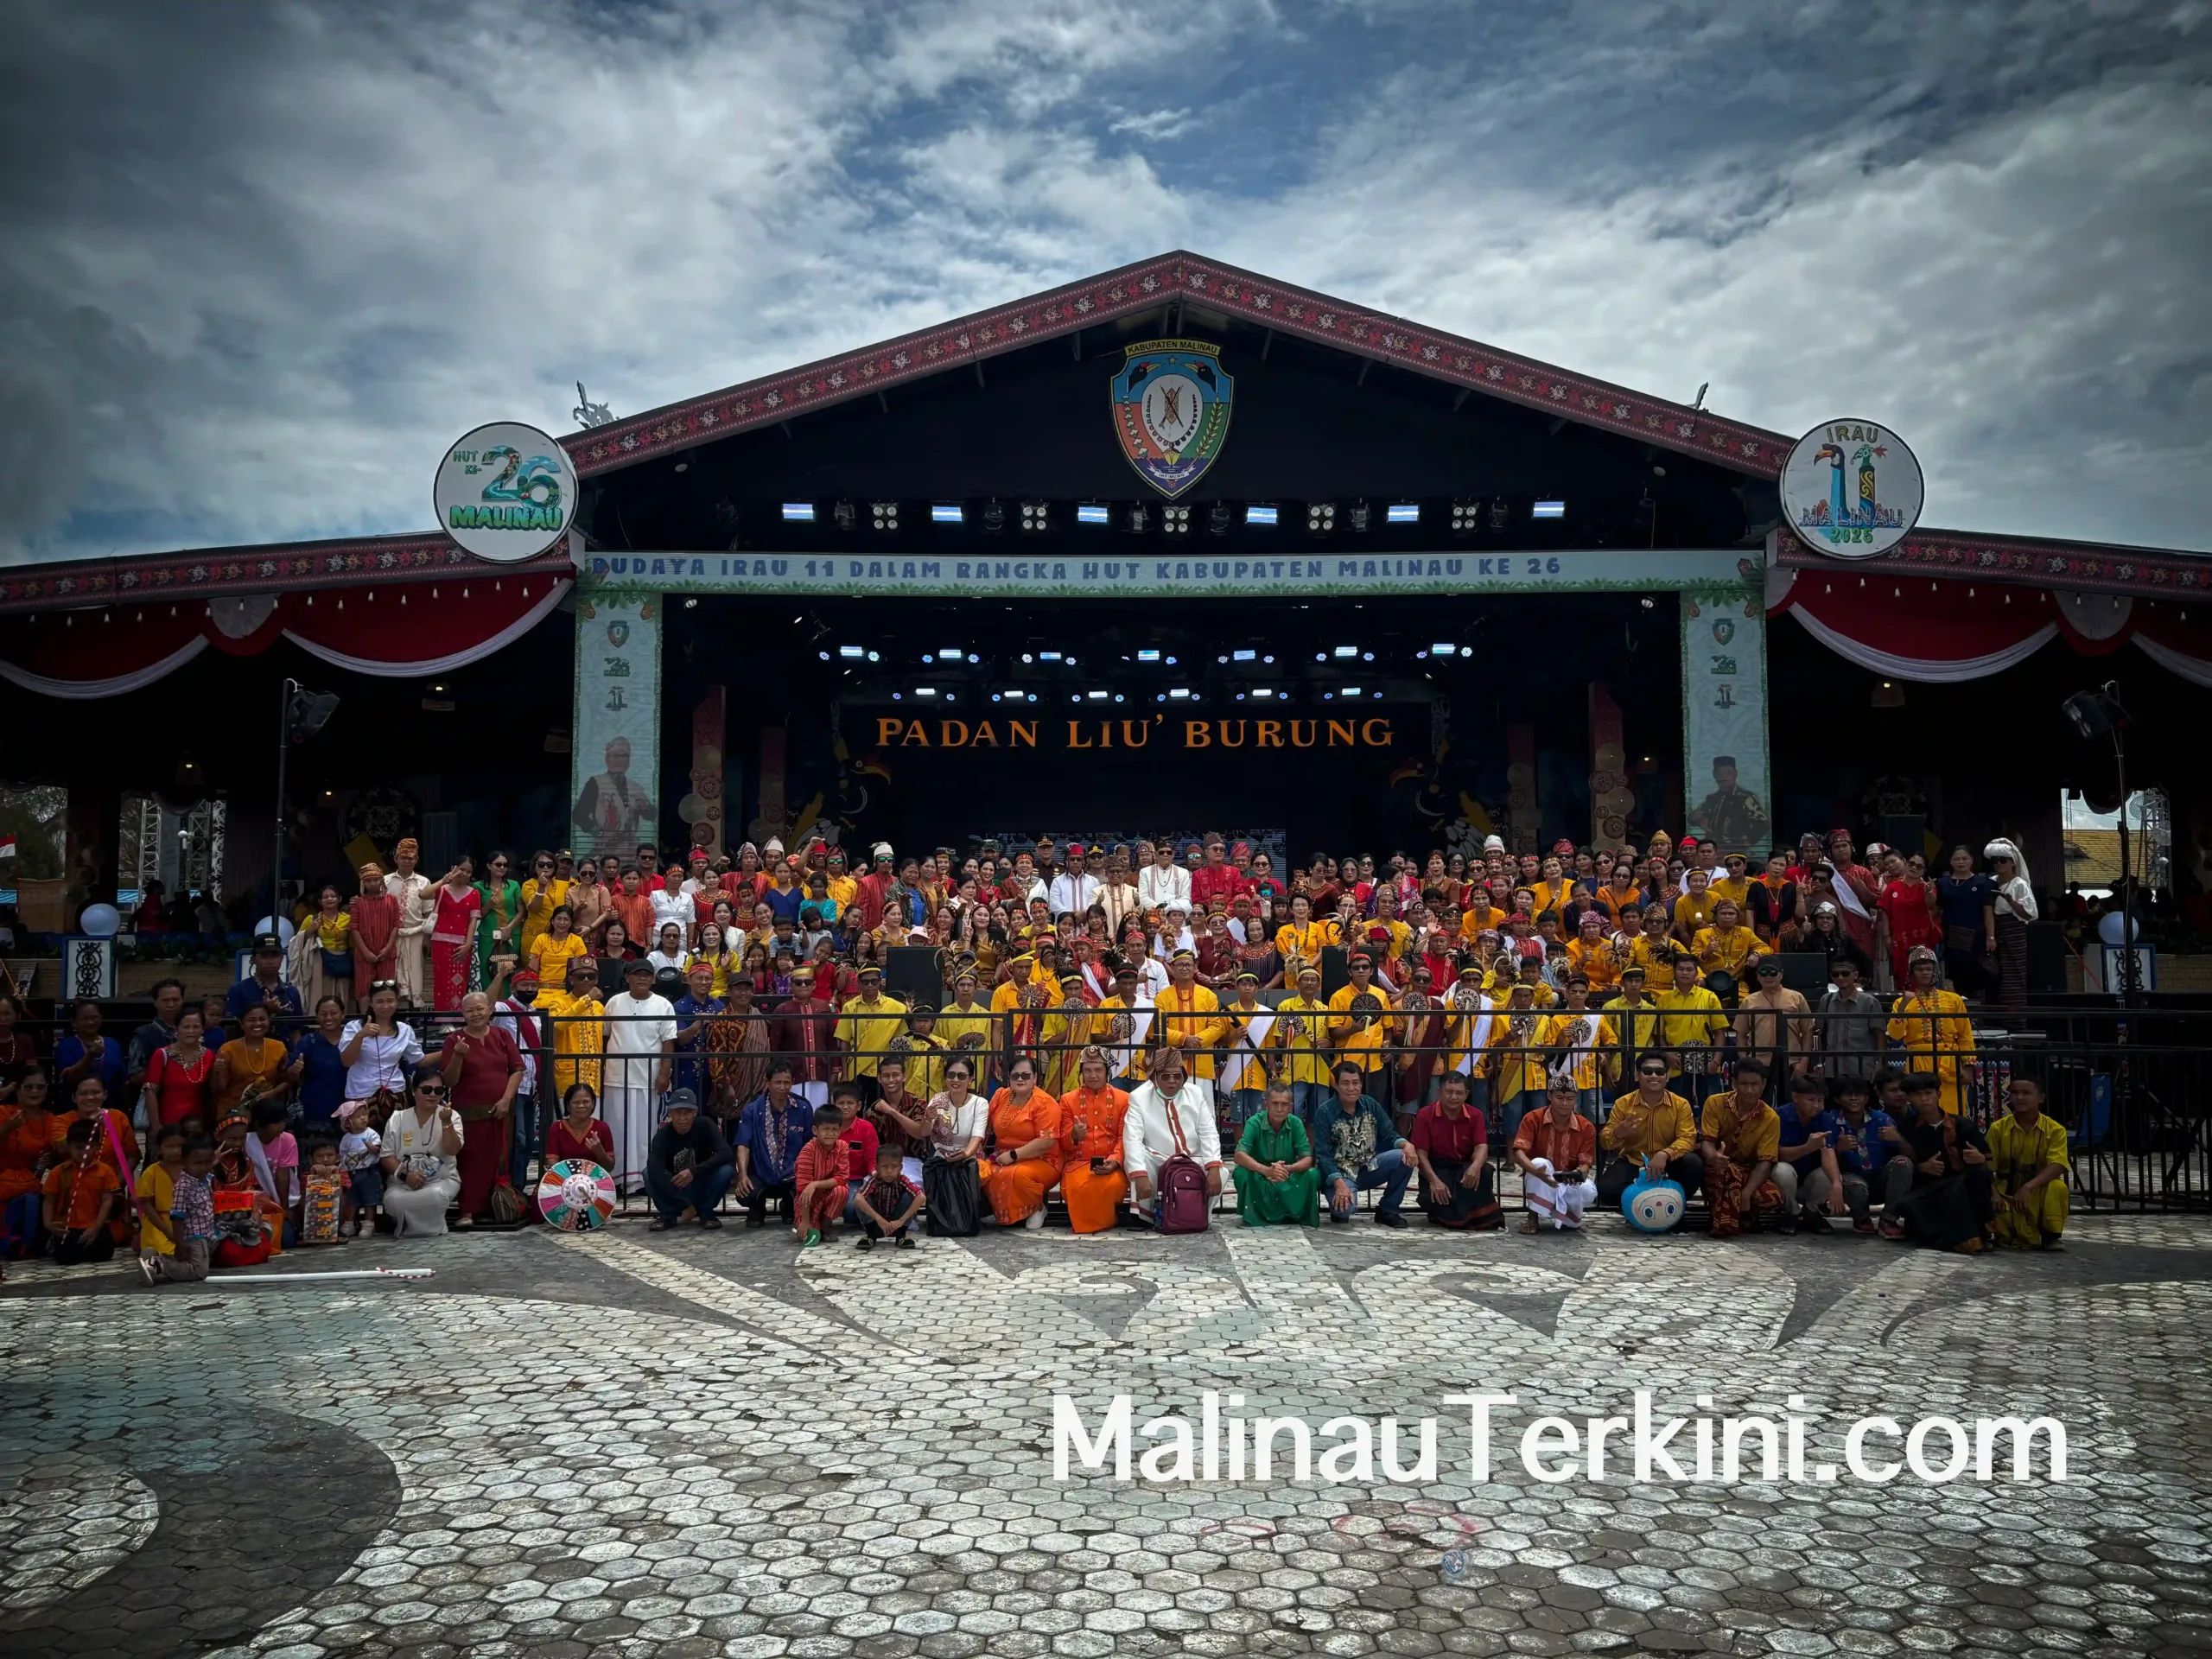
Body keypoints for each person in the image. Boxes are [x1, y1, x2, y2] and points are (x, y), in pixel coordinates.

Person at [437, 992, 524, 1226]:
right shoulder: (454, 1040)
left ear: (490, 1010)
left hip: (501, 1110)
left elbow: (517, 1070)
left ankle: (498, 1208)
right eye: (470, 1010)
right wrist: (458, 1056)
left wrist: (506, 1099)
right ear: (462, 1014)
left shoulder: (502, 1035)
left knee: (499, 1159)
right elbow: (450, 1081)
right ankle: (468, 1211)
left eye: (480, 1009)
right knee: (471, 1161)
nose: (476, 1014)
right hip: (469, 1113)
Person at [1891, 1072, 1993, 1252]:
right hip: (1929, 1190)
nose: (1924, 1099)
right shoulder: (1905, 1127)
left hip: (1961, 1187)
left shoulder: (1962, 1125)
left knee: (1972, 1179)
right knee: (1912, 1205)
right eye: (1917, 1094)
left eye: (1928, 1093)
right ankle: (1970, 1238)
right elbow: (1897, 1165)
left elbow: (1987, 1160)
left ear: (1938, 1094)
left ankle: (1973, 1236)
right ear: (1908, 1099)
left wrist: (1980, 1158)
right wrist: (1922, 1167)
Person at [1121, 1050, 1223, 1221]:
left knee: (1221, 1172)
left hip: (1192, 1159)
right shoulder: (1139, 1097)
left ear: (1183, 1076)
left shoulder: (1195, 1094)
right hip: (1158, 1158)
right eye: (1165, 1077)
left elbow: (1208, 1132)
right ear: (1154, 1077)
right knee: (1139, 1162)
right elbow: (1132, 1138)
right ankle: (1153, 1217)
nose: (1172, 1081)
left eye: (1177, 1076)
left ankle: (1197, 1215)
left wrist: (1212, 1167)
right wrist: (1140, 1174)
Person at [601, 959, 677, 1187]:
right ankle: (615, 1180)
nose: (642, 978)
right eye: (637, 974)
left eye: (646, 974)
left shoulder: (663, 1005)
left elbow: (668, 1043)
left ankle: (644, 1181)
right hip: (615, 1078)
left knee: (645, 1133)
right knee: (616, 1130)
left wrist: (664, 1075)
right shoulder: (614, 1002)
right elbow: (605, 1036)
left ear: (653, 979)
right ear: (628, 978)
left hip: (648, 1079)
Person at [1312, 1060, 1414, 1225]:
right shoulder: (1324, 1113)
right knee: (1345, 1211)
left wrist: (1406, 1144)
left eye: (1355, 1083)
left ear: (1361, 1085)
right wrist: (1339, 1184)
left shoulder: (1370, 1105)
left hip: (1370, 1166)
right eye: (1345, 1083)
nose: (1351, 1088)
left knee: (1404, 1157)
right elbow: (1323, 1156)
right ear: (1336, 1086)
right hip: (1341, 1172)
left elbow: (1389, 1135)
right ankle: (1339, 1205)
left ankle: (1388, 1210)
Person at [1597, 1055, 1702, 1214]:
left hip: (1669, 1163)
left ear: (1667, 1077)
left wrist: (1665, 1154)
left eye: (1659, 1072)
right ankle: (1638, 1210)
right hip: (1634, 1162)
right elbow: (1605, 1141)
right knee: (1607, 1189)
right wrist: (1618, 1133)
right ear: (1637, 1076)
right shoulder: (1623, 1103)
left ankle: (1673, 1210)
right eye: (1647, 1071)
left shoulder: (1680, 1104)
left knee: (1693, 1164)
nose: (1654, 1076)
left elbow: (1688, 1138)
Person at [1698, 1058, 1787, 1237]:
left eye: (1755, 1084)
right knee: (1724, 1171)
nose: (1749, 1090)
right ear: (1734, 1084)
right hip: (1716, 1167)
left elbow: (1765, 1162)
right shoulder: (1714, 1103)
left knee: (1773, 1196)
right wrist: (1714, 1157)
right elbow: (1706, 1142)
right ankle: (1728, 1225)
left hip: (1748, 1171)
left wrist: (1746, 1194)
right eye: (1744, 1084)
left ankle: (1732, 1218)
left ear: (1763, 1084)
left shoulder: (1770, 1118)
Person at [1886, 946, 1976, 1116]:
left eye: (1929, 969)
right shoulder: (1901, 1002)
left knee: (1953, 1111)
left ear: (1935, 971)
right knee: (1922, 1111)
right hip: (1918, 1060)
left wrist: (1969, 1067)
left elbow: (1965, 1036)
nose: (1925, 973)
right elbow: (1895, 1035)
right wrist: (1905, 1004)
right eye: (1919, 969)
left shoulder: (1953, 999)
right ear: (1911, 973)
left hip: (1949, 1060)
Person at [380, 1064, 465, 1238]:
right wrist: (406, 1176)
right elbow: (387, 1156)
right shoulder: (397, 1119)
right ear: (413, 1091)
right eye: (426, 1090)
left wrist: (446, 1123)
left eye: (438, 1090)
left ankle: (429, 1229)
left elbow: (453, 1149)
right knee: (393, 1200)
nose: (432, 1095)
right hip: (403, 1182)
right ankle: (405, 1228)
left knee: (434, 1196)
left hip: (441, 1180)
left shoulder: (452, 1115)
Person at [1408, 1070, 1498, 1230]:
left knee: (1483, 1172)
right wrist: (1434, 1181)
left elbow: (1481, 1146)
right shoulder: (1425, 1115)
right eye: (1449, 1092)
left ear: (1466, 1094)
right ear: (1439, 1092)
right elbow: (1421, 1154)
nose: (1454, 1097)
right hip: (1438, 1168)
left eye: (1459, 1093)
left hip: (1464, 1167)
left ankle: (1471, 1216)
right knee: (1439, 1197)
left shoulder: (1475, 1114)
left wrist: (1475, 1167)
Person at [1987, 1075, 2069, 1249]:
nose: (2019, 1097)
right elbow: (1986, 1166)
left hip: (2038, 1189)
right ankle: (1997, 1235)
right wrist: (1994, 1193)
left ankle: (2051, 1237)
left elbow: (2058, 1165)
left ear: (2041, 1098)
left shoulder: (2055, 1130)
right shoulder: (1997, 1129)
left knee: (2058, 1187)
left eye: (2026, 1093)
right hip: (2006, 1189)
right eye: (2014, 1093)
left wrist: (2028, 1187)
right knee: (1983, 1191)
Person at [1056, 1046, 1131, 1234]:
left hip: (1111, 1163)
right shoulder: (1067, 1100)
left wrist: (1114, 1162)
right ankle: (1096, 1224)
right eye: (1088, 1070)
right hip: (1078, 1163)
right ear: (1081, 1072)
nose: (1093, 1075)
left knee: (1111, 1185)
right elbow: (1061, 1142)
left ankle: (1102, 1222)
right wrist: (1073, 1135)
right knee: (1077, 1187)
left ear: (1107, 1071)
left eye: (1098, 1070)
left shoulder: (1124, 1099)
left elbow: (1126, 1138)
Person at [981, 1056, 1061, 1229]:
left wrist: (1014, 1155)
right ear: (1008, 1077)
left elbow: (1046, 1141)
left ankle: (1036, 1207)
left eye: (1025, 1075)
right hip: (1003, 1156)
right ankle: (1008, 1214)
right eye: (1015, 1075)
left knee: (1015, 1175)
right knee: (984, 1171)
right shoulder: (1001, 1095)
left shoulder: (1045, 1103)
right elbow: (985, 1125)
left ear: (1035, 1078)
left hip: (1043, 1159)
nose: (1020, 1079)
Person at [1511, 1077, 1599, 1233]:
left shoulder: (1586, 1127)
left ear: (1575, 1099)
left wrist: (1579, 1173)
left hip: (1568, 1181)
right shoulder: (1533, 1119)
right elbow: (1519, 1151)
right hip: (1541, 1178)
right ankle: (1533, 1215)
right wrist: (1533, 1170)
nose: (1565, 1103)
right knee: (1539, 1162)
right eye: (1560, 1098)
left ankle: (1564, 1214)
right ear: (1549, 1096)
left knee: (1589, 1191)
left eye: (1570, 1099)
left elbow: (1586, 1162)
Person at [734, 1060, 813, 1227]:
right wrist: (742, 1175)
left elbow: (810, 1145)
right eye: (778, 1082)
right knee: (745, 1193)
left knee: (806, 1191)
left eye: (787, 1082)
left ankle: (790, 1206)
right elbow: (743, 1144)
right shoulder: (752, 1110)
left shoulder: (803, 1108)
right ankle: (757, 1207)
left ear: (792, 1083)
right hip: (761, 1173)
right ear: (767, 1083)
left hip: (793, 1174)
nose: (782, 1087)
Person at [644, 1089, 734, 1230]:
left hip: (700, 1183)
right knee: (648, 1174)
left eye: (687, 1113)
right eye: (678, 1113)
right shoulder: (662, 1136)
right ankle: (668, 1215)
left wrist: (694, 1172)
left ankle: (707, 1213)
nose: (682, 1118)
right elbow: (654, 1168)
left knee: (726, 1171)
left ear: (695, 1112)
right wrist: (684, 1205)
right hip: (673, 1188)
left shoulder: (705, 1125)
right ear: (670, 1113)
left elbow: (726, 1153)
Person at [1230, 1084, 1319, 1227]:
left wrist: (1288, 1169)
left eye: (1284, 1104)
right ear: (1266, 1105)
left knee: (1313, 1174)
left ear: (1290, 1107)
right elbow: (1239, 1155)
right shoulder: (1254, 1122)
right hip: (1261, 1175)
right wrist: (1266, 1170)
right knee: (1241, 1173)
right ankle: (1255, 1215)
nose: (1279, 1109)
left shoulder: (1296, 1123)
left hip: (1287, 1175)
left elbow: (1308, 1159)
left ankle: (1297, 1215)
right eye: (1275, 1104)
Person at [139, 1135, 219, 1285]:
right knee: (199, 1271)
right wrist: (180, 1243)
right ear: (184, 1162)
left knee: (200, 1262)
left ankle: (155, 1258)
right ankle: (158, 1265)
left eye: (208, 1162)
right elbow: (177, 1217)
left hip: (206, 1234)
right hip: (194, 1236)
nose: (203, 1167)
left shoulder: (206, 1179)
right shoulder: (183, 1186)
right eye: (197, 1163)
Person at [43, 1117, 123, 1264]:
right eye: (79, 1148)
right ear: (68, 1147)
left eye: (89, 1147)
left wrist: (96, 1227)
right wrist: (48, 1224)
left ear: (97, 1147)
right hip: (67, 1227)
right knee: (67, 1258)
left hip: (94, 1224)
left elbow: (107, 1201)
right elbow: (49, 1199)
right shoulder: (58, 1172)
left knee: (104, 1253)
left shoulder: (106, 1171)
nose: (84, 1152)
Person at [1654, 952, 1728, 1104]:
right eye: (1681, 969)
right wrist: (1668, 1055)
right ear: (1674, 971)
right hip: (1677, 1064)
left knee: (1711, 1108)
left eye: (1689, 969)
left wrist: (1716, 1061)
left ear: (1696, 972)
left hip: (1706, 1062)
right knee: (1678, 1108)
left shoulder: (1709, 997)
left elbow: (1719, 1031)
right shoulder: (1664, 1000)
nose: (1685, 973)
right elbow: (1659, 1035)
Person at [1268, 963, 1335, 1125]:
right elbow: (1279, 1040)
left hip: (1319, 1069)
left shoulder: (1325, 1009)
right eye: (1306, 979)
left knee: (1319, 1116)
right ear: (1298, 983)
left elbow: (1332, 1039)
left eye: (1313, 980)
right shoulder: (1286, 1006)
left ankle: (1313, 1150)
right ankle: (1291, 1149)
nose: (1309, 983)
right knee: (1292, 1114)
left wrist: (1328, 1042)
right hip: (1294, 1069)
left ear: (1318, 985)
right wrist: (1290, 1035)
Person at [340, 982, 424, 1107]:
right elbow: (347, 1061)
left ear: (397, 1001)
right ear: (371, 1003)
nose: (386, 1006)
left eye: (390, 1001)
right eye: (380, 1001)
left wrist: (452, 1050)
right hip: (360, 1094)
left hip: (395, 1093)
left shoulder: (404, 1030)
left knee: (395, 1127)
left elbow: (420, 1060)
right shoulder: (354, 1027)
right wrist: (360, 1035)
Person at [834, 964, 909, 1101]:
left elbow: (901, 1041)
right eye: (865, 982)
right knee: (857, 1110)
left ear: (880, 982)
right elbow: (844, 1042)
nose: (870, 985)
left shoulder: (895, 1007)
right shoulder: (850, 1007)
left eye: (874, 981)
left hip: (885, 1071)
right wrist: (844, 1074)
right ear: (859, 983)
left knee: (882, 1111)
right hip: (857, 1069)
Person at [536, 957, 606, 1101]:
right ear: (572, 980)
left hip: (594, 1077)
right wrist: (586, 1000)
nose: (586, 980)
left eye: (591, 976)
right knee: (566, 1120)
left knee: (593, 1121)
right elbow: (558, 1025)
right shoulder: (558, 1002)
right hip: (568, 1075)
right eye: (581, 976)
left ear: (596, 980)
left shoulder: (599, 1006)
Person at [1734, 959, 1814, 1085]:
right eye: (1763, 973)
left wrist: (1803, 1062)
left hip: (1792, 1061)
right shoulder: (1749, 1001)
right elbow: (1741, 1035)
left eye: (1772, 972)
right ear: (1758, 976)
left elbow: (1807, 1032)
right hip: (1759, 1062)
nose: (1768, 976)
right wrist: (1746, 1061)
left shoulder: (1797, 998)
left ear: (1781, 974)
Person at [213, 1002, 296, 1120]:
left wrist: (270, 1093)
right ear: (241, 1024)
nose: (257, 1024)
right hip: (233, 1113)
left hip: (267, 1113)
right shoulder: (228, 1049)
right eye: (251, 1020)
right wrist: (217, 1072)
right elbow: (219, 1089)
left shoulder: (279, 1047)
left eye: (262, 1019)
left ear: (269, 1021)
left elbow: (286, 1081)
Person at [143, 1006, 216, 1135]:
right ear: (177, 1029)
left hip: (198, 1125)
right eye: (186, 1027)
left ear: (203, 1029)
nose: (191, 1031)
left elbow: (213, 1091)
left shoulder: (209, 1055)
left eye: (196, 1027)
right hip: (168, 1124)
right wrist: (156, 1126)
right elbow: (150, 1091)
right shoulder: (162, 1055)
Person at [1985, 838, 2037, 1008]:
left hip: (2014, 930)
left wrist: (2011, 901)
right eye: (1995, 860)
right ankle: (1994, 1017)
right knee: (1992, 973)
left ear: (2013, 862)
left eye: (2003, 860)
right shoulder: (1990, 881)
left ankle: (2015, 1020)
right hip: (1994, 928)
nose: (1999, 864)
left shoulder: (2020, 884)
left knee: (2014, 974)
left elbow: (2029, 915)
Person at [1814, 959, 1885, 1080]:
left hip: (1862, 1068)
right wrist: (1820, 1063)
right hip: (1833, 1069)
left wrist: (1880, 1064)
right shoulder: (1826, 1001)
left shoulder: (1869, 1002)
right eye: (1835, 974)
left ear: (1855, 975)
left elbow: (1880, 1035)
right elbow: (1819, 1034)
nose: (1840, 977)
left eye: (1845, 973)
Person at [1685, 754, 1769, 858]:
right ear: (1714, 775)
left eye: (1727, 773)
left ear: (1735, 774)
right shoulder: (1712, 799)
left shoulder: (1745, 798)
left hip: (1736, 851)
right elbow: (1692, 819)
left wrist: (1744, 841)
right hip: (1715, 851)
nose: (1722, 777)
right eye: (1718, 773)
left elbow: (1763, 823)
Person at [291, 996, 353, 1136]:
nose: (328, 1017)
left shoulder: (353, 1040)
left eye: (333, 1013)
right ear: (317, 1017)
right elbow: (290, 1076)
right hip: (315, 1110)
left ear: (343, 1014)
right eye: (323, 1014)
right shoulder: (308, 1042)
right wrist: (295, 1070)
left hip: (349, 1111)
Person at [791, 1103, 851, 1245]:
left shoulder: (842, 1147)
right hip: (808, 1201)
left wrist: (815, 1184)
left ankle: (827, 1225)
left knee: (842, 1191)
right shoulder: (808, 1151)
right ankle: (811, 1222)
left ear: (840, 1130)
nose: (830, 1133)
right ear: (815, 1130)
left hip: (828, 1195)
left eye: (834, 1129)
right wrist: (805, 1222)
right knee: (807, 1233)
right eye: (825, 1129)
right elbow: (803, 1190)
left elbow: (842, 1178)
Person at [429, 857, 484, 1012]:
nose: (465, 874)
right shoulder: (442, 889)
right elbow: (423, 894)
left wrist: (468, 944)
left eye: (469, 871)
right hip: (440, 942)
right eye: (462, 869)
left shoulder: (474, 894)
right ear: (454, 868)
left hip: (462, 944)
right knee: (441, 980)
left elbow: (473, 921)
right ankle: (442, 1018)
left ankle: (456, 1016)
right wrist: (443, 880)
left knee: (459, 981)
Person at [226, 933, 305, 1033]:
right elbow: (230, 1030)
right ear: (253, 959)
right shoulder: (238, 990)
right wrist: (266, 1011)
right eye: (264, 956)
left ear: (281, 959)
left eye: (274, 956)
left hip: (285, 1048)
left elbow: (296, 1032)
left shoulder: (292, 992)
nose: (270, 961)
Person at [348, 861, 402, 1010]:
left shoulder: (392, 900)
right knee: (363, 988)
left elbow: (396, 926)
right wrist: (366, 952)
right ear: (363, 883)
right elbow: (354, 928)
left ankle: (386, 1019)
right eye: (368, 880)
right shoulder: (358, 903)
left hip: (387, 952)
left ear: (382, 880)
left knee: (387, 987)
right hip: (364, 954)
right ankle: (366, 1019)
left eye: (376, 879)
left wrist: (388, 948)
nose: (372, 883)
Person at [853, 1141, 923, 1249]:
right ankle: (871, 1235)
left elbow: (921, 1197)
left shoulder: (903, 1181)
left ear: (900, 1168)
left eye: (894, 1166)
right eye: (884, 1166)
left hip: (897, 1224)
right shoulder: (874, 1181)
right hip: (877, 1223)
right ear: (877, 1168)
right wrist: (880, 1220)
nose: (889, 1171)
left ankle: (901, 1236)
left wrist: (901, 1221)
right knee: (861, 1196)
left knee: (911, 1196)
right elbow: (858, 1199)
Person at [134, 1124, 188, 1263]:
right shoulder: (152, 1171)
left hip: (188, 1223)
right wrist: (167, 1231)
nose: (175, 1151)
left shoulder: (192, 1168)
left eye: (180, 1145)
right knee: (163, 1251)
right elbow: (146, 1205)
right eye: (169, 1147)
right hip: (160, 1224)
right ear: (159, 1149)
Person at [54, 1000, 126, 1101]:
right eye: (84, 1018)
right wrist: (90, 1055)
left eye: (95, 1017)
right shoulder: (66, 1045)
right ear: (74, 1022)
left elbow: (121, 1078)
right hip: (77, 1106)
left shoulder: (112, 1044)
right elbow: (69, 1078)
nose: (90, 1022)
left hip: (111, 1105)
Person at [476, 851, 524, 990]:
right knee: (488, 971)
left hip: (511, 936)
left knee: (511, 971)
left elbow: (521, 911)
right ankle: (489, 1007)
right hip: (488, 937)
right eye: (498, 864)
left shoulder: (514, 886)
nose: (502, 867)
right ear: (488, 866)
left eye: (505, 865)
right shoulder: (479, 887)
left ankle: (509, 1008)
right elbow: (477, 915)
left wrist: (509, 928)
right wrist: (489, 905)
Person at [545, 1080, 617, 1171]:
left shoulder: (602, 1128)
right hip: (564, 1179)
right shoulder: (557, 1127)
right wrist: (573, 1178)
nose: (581, 1106)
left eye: (586, 1102)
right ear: (568, 1106)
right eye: (576, 1102)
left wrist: (599, 1151)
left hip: (593, 1181)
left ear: (593, 1104)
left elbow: (609, 1168)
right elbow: (552, 1161)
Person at [338, 1102, 385, 1236]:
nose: (364, 1118)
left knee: (370, 1199)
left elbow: (378, 1148)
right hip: (351, 1174)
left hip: (368, 1172)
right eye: (358, 1116)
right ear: (347, 1122)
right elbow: (342, 1155)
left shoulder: (371, 1133)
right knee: (352, 1200)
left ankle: (368, 1223)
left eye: (365, 1114)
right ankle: (350, 1223)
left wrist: (374, 1149)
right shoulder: (346, 1139)